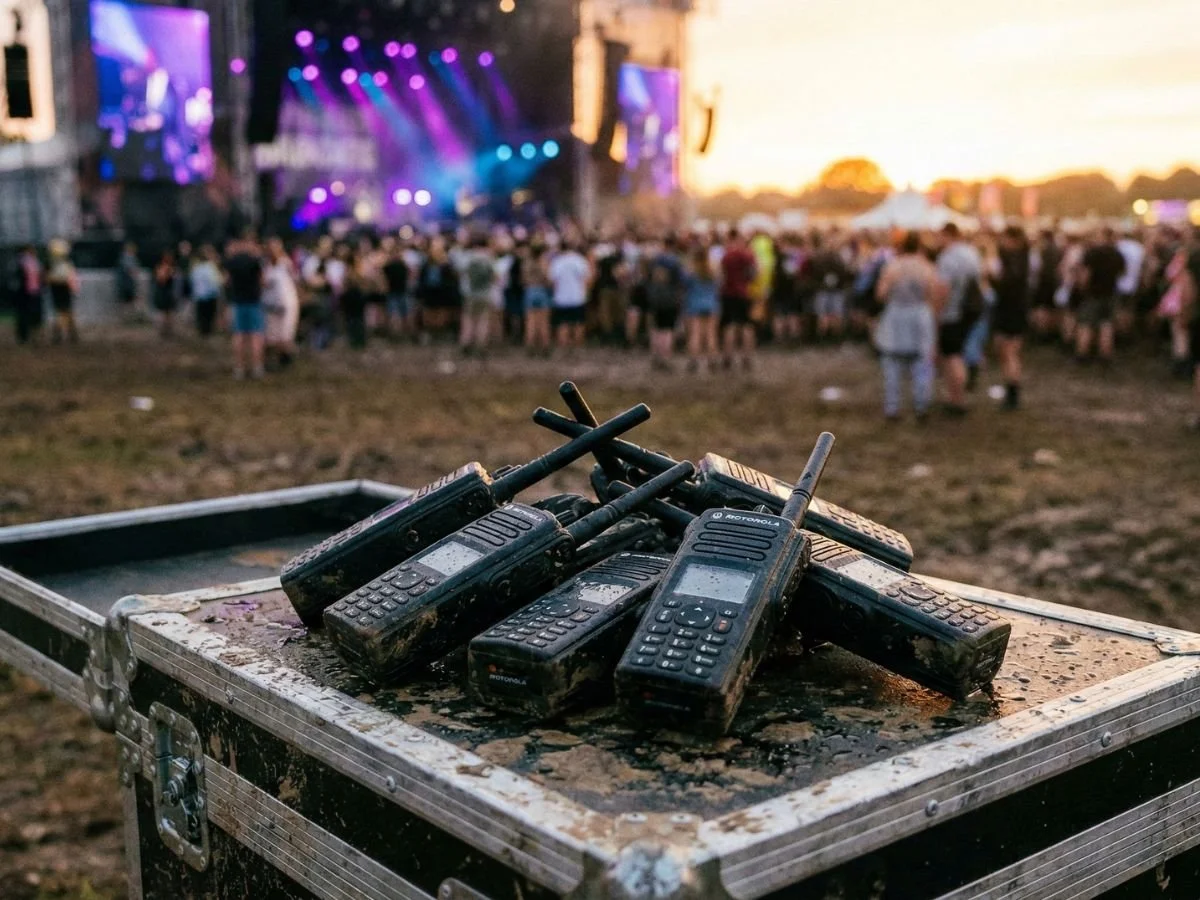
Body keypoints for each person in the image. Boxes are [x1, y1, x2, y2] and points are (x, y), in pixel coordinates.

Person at [874, 231, 940, 422]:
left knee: (892, 365)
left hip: (897, 315)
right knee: (922, 363)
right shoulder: (926, 267)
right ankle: (921, 405)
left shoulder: (893, 267)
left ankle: (892, 408)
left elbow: (881, 294)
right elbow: (933, 294)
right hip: (920, 315)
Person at [935, 223, 982, 416]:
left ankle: (957, 399)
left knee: (952, 355)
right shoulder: (972, 253)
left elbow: (944, 289)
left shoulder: (948, 258)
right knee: (957, 353)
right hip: (968, 311)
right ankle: (956, 396)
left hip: (952, 312)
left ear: (947, 235)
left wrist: (937, 312)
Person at [991, 226, 1031, 410]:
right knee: (1008, 351)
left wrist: (993, 280)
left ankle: (1012, 393)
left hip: (1010, 309)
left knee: (1009, 351)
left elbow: (1006, 285)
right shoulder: (1023, 257)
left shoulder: (1014, 261)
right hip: (1015, 308)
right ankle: (1011, 389)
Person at [1076, 227, 1125, 365]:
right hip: (1111, 292)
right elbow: (1122, 273)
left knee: (1086, 324)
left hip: (1093, 293)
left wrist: (1082, 287)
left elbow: (1086, 274)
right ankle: (1105, 354)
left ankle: (1083, 354)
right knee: (1107, 324)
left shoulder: (1092, 253)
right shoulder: (1117, 254)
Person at [224, 235, 265, 379]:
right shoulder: (255, 261)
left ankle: (239, 368)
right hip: (253, 301)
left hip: (237, 301)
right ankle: (257, 367)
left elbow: (227, 281)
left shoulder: (232, 262)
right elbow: (262, 281)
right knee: (256, 335)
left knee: (239, 335)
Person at [719, 230, 758, 371]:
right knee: (747, 326)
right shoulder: (748, 255)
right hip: (744, 293)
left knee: (729, 326)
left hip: (728, 293)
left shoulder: (726, 256)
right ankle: (747, 358)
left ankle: (727, 358)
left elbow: (721, 275)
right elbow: (754, 273)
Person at [645, 238, 684, 370]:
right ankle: (666, 357)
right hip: (670, 298)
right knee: (667, 329)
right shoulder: (675, 261)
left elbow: (647, 277)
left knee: (656, 328)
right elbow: (681, 280)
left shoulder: (655, 260)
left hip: (655, 297)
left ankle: (655, 356)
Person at [263, 237, 300, 367]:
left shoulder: (285, 263)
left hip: (287, 303)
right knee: (271, 335)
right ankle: (270, 360)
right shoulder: (266, 265)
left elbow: (295, 280)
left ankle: (285, 360)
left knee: (285, 334)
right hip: (271, 304)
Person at [548, 241, 591, 350]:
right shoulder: (580, 260)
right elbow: (586, 278)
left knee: (563, 323)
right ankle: (578, 347)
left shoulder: (557, 262)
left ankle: (564, 347)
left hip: (561, 297)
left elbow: (553, 281)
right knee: (579, 323)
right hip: (577, 297)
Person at [684, 247, 720, 371]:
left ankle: (693, 361)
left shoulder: (691, 272)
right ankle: (712, 361)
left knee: (695, 334)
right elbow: (718, 285)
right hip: (711, 304)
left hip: (694, 304)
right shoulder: (713, 271)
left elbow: (684, 284)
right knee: (711, 334)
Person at [460, 237, 497, 355]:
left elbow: (463, 272)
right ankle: (481, 344)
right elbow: (494, 276)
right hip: (485, 294)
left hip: (471, 293)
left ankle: (466, 343)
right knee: (483, 320)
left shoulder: (469, 257)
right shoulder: (489, 258)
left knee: (468, 319)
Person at [416, 238, 460, 337]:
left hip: (442, 291)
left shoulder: (447, 263)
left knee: (442, 312)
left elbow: (452, 278)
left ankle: (439, 331)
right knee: (428, 312)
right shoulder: (426, 262)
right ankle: (430, 331)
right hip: (429, 291)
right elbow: (422, 277)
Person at [46, 239, 80, 344]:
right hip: (62, 288)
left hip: (58, 287)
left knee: (62, 312)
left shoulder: (54, 265)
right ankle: (69, 334)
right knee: (65, 312)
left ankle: (65, 334)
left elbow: (48, 278)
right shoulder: (64, 265)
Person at [9, 245, 43, 345]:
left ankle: (24, 336)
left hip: (24, 292)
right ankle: (29, 336)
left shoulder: (19, 261)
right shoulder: (31, 262)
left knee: (23, 315)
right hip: (29, 292)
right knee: (29, 315)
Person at [523, 244, 553, 356]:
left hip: (530, 290)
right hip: (541, 291)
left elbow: (523, 278)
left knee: (530, 321)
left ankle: (530, 346)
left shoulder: (527, 263)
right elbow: (547, 277)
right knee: (543, 322)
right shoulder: (543, 262)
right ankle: (545, 347)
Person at [189, 245, 222, 337]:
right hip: (209, 295)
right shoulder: (210, 267)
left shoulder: (196, 267)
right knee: (209, 314)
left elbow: (192, 280)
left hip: (199, 295)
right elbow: (215, 281)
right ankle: (207, 331)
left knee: (201, 314)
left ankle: (202, 331)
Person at [152, 249, 179, 338]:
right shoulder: (162, 267)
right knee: (164, 313)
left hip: (168, 293)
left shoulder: (170, 267)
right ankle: (163, 331)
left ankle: (168, 331)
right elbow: (161, 280)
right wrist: (167, 273)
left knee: (169, 313)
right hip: (163, 292)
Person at [116, 242, 141, 320]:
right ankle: (128, 317)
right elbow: (131, 270)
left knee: (128, 301)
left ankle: (128, 317)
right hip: (127, 283)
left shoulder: (125, 257)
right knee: (128, 301)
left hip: (126, 283)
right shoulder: (127, 258)